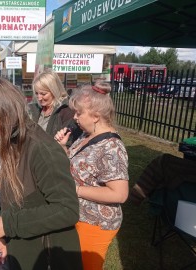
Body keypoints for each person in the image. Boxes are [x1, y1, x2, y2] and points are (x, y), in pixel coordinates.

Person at [0, 79, 83, 270]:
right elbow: (14, 199)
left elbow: (68, 209)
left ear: (8, 110)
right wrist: (6, 239)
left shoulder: (42, 149)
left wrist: (8, 225)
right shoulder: (11, 142)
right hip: (24, 250)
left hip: (48, 258)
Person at [54, 82, 129, 270]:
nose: (75, 118)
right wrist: (64, 146)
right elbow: (76, 166)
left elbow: (119, 194)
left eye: (79, 113)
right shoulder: (86, 135)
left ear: (96, 116)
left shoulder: (112, 147)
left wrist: (76, 190)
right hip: (80, 216)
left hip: (96, 223)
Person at [28, 70, 82, 147]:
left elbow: (68, 143)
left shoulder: (66, 111)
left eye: (43, 94)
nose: (39, 98)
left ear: (54, 91)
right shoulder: (33, 109)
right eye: (37, 93)